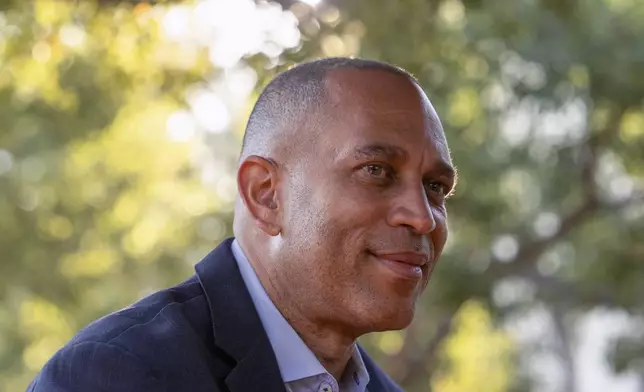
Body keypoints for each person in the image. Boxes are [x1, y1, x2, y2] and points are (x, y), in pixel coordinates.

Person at [28, 57, 456, 392]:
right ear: (265, 194)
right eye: (376, 171)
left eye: (435, 186)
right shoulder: (117, 374)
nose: (421, 217)